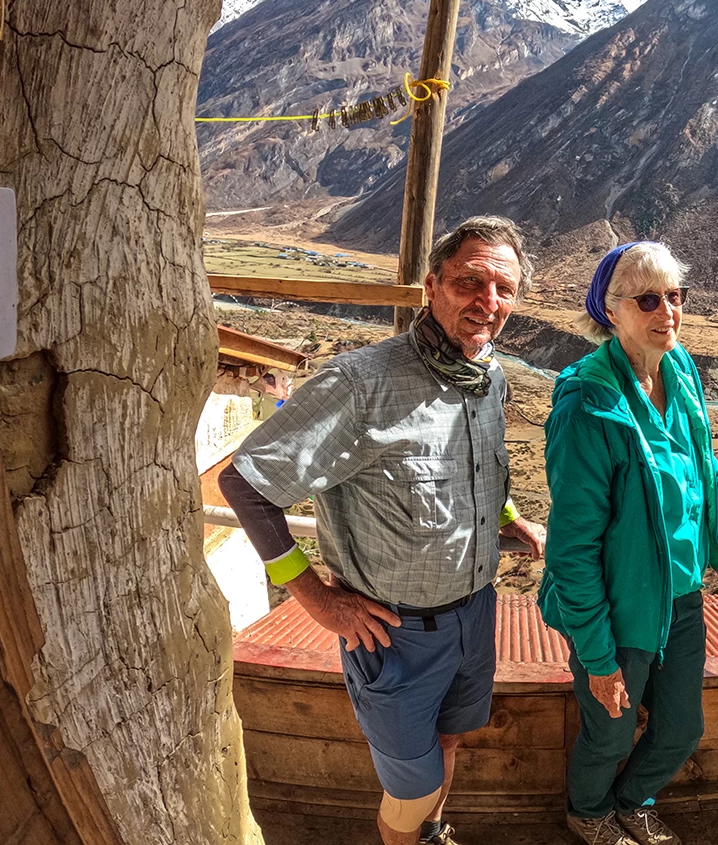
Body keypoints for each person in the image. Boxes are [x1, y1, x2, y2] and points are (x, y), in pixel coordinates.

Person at [219, 216, 547, 845]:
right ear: (432, 285)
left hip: (475, 613)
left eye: (503, 289)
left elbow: (475, 467)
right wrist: (316, 599)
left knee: (449, 741)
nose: (488, 303)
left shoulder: (489, 376)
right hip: (394, 635)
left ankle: (431, 834)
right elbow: (245, 484)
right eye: (470, 283)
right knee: (411, 787)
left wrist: (509, 518)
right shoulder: (362, 383)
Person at [540, 241, 718, 845]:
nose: (666, 311)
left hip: (683, 593)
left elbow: (699, 458)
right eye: (648, 299)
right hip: (620, 605)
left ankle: (630, 800)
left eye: (675, 296)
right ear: (610, 311)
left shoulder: (680, 369)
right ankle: (589, 812)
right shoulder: (589, 402)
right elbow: (572, 546)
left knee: (680, 729)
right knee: (611, 730)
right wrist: (597, 657)